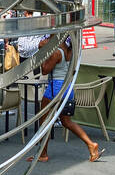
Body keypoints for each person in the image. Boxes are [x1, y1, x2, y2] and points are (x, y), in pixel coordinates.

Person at [28, 33, 103, 162]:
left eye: (49, 37)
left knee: (44, 121)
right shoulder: (69, 50)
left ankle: (43, 154)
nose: (46, 39)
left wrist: (42, 52)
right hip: (67, 87)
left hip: (55, 89)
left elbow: (45, 70)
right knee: (66, 122)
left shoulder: (56, 53)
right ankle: (91, 145)